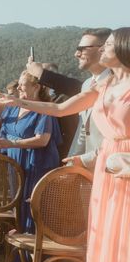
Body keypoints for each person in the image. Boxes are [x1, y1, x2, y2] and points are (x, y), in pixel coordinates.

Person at [0, 28, 130, 262]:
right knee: (105, 245)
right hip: (105, 171)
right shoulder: (104, 84)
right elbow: (63, 109)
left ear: (123, 48)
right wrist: (16, 101)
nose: (102, 49)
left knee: (124, 246)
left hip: (124, 167)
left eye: (108, 44)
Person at [0, 70, 61, 262]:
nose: (18, 88)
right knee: (19, 207)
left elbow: (43, 139)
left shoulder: (43, 110)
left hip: (37, 163)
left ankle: (35, 260)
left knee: (34, 208)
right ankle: (20, 255)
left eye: (22, 85)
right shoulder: (12, 108)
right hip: (15, 163)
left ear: (36, 87)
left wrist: (13, 142)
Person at [26, 28, 112, 170]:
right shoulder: (86, 85)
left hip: (113, 166)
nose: (76, 53)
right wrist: (72, 161)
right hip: (86, 168)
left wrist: (41, 74)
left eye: (82, 49)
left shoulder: (119, 83)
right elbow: (83, 129)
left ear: (103, 49)